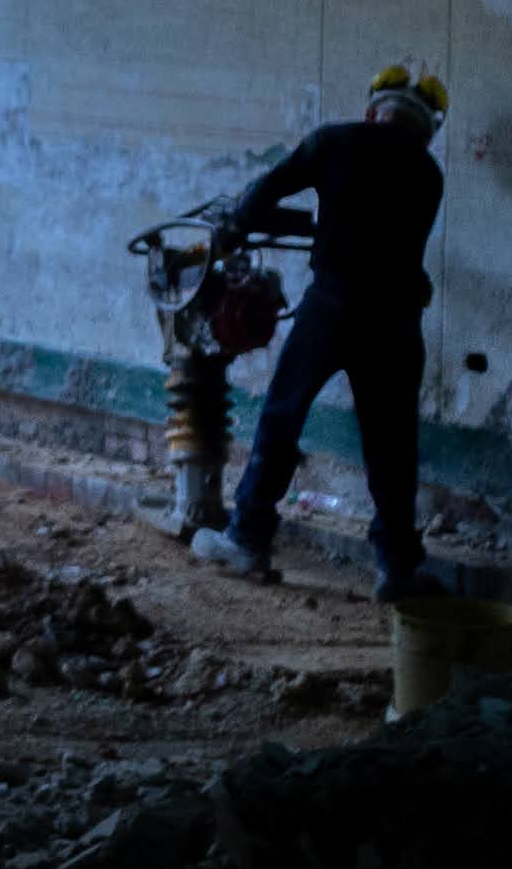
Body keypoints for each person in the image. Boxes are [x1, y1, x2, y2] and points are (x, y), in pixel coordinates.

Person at [192, 64, 449, 594]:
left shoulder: (335, 140)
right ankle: (397, 568)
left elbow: (267, 189)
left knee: (284, 415)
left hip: (334, 304)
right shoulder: (429, 174)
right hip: (397, 319)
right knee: (391, 443)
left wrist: (235, 227)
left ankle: (248, 539)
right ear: (426, 129)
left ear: (373, 110)